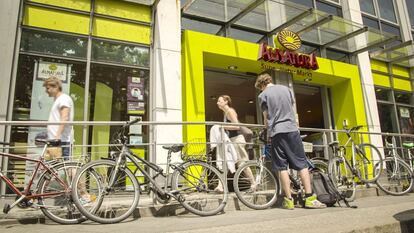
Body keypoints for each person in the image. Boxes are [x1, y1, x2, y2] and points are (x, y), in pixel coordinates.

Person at [254, 72, 326, 209]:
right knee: (302, 164)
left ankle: (289, 200)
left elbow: (266, 118)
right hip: (292, 130)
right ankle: (310, 198)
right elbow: (293, 111)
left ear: (262, 84)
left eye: (260, 87)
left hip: (277, 132)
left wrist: (265, 129)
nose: (261, 90)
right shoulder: (287, 90)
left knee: (282, 167)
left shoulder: (263, 95)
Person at [216, 95, 256, 191]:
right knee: (225, 162)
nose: (217, 103)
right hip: (231, 141)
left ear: (226, 101)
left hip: (237, 140)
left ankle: (253, 183)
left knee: (241, 163)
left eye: (219, 101)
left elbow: (237, 126)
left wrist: (222, 127)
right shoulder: (225, 113)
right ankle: (220, 186)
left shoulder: (230, 111)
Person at [43, 76, 74, 160]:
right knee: (52, 166)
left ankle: (76, 173)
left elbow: (65, 117)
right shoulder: (58, 100)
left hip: (61, 140)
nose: (46, 91)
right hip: (55, 140)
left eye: (48, 88)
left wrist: (57, 136)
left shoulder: (63, 99)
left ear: (55, 87)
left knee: (67, 166)